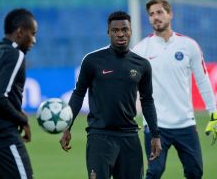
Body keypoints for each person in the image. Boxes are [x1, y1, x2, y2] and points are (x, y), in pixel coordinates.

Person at [60, 11, 162, 179]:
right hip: (99, 137)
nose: (120, 34)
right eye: (115, 30)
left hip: (129, 138)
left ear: (131, 31)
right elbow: (78, 94)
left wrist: (155, 135)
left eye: (124, 29)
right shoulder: (92, 61)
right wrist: (67, 127)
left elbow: (147, 100)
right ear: (108, 32)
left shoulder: (142, 65)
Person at [133, 0, 217, 179]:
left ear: (170, 14)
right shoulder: (140, 50)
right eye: (151, 14)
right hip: (155, 125)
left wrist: (213, 112)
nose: (155, 17)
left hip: (185, 123)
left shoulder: (189, 46)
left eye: (159, 12)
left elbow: (202, 80)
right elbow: (127, 85)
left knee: (195, 172)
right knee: (154, 172)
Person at [0, 8, 37, 179]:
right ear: (20, 32)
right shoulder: (15, 55)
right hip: (0, 136)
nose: (34, 40)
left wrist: (17, 110)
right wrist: (22, 119)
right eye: (32, 34)